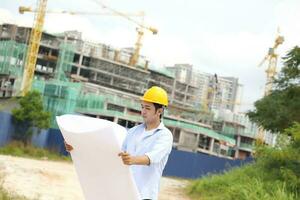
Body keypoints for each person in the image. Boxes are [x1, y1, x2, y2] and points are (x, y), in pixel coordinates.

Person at [65, 86, 173, 200]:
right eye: (142, 107)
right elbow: (115, 154)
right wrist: (77, 147)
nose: (143, 111)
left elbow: (151, 158)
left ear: (159, 111)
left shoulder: (164, 135)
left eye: (147, 108)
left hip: (145, 195)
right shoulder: (133, 132)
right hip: (124, 193)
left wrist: (131, 160)